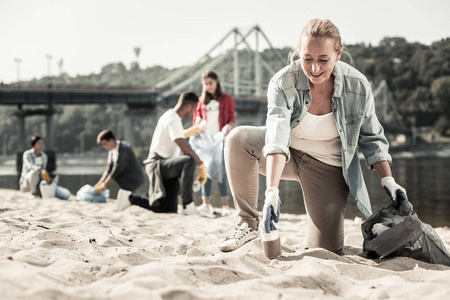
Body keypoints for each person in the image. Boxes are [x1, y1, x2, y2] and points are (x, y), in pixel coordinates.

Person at [220, 18, 408, 255]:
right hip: (287, 156)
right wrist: (272, 192)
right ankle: (247, 224)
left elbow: (372, 138)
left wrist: (388, 180)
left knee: (327, 250)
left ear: (337, 55)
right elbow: (277, 137)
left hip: (327, 167)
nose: (315, 68)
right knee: (238, 139)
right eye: (307, 59)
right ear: (299, 53)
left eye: (323, 60)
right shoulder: (283, 82)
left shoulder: (357, 86)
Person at [116, 91, 208, 215]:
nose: (193, 114)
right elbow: (185, 149)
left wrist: (189, 132)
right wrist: (201, 165)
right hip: (157, 164)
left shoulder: (171, 116)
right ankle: (188, 205)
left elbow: (174, 136)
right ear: (188, 106)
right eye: (194, 109)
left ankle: (129, 198)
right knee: (189, 160)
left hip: (166, 166)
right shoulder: (173, 120)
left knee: (168, 209)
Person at [192, 70, 236, 217]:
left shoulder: (227, 99)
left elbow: (231, 118)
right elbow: (196, 119)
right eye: (205, 84)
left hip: (220, 140)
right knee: (206, 170)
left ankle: (225, 205)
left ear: (216, 82)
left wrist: (228, 127)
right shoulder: (201, 101)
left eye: (210, 83)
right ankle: (206, 204)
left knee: (221, 170)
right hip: (206, 141)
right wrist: (198, 122)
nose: (208, 86)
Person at [95, 130, 145, 194]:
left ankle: (131, 195)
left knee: (128, 196)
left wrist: (104, 185)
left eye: (104, 143)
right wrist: (100, 183)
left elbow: (116, 170)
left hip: (135, 178)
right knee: (125, 195)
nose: (104, 146)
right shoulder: (112, 152)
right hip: (126, 178)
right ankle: (129, 195)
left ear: (111, 140)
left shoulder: (124, 148)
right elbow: (109, 169)